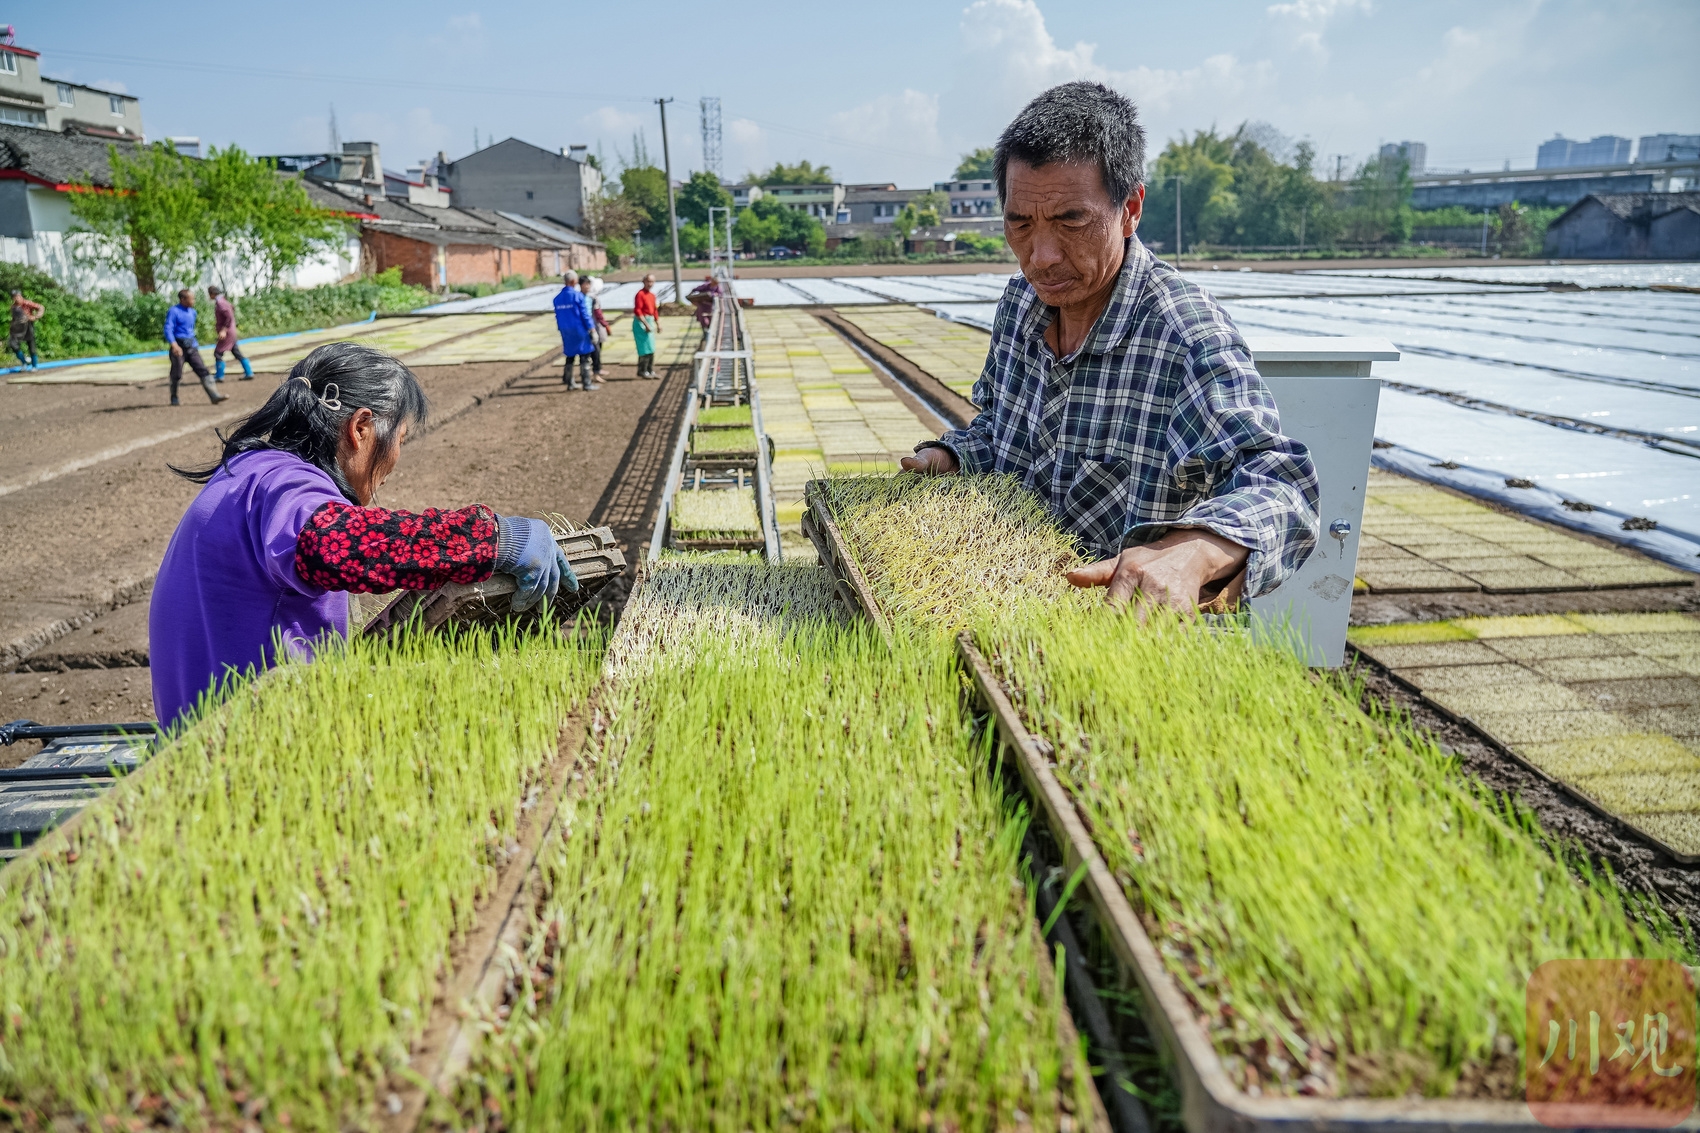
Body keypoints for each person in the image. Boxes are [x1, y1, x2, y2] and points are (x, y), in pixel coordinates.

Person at [899, 82, 1318, 613]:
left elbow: (1283, 488)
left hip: (1127, 636)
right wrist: (952, 457)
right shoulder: (1021, 305)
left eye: (1072, 220)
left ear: (1130, 209)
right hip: (1009, 611)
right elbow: (1005, 435)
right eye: (1019, 223)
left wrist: (1193, 553)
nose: (1042, 256)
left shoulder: (1183, 335)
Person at [149, 341, 578, 730]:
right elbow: (334, 545)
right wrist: (496, 538)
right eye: (400, 441)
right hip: (248, 748)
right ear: (361, 427)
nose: (394, 462)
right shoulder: (285, 484)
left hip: (206, 737)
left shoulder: (249, 471)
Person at [164, 289, 228, 406]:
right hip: (179, 347)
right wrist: (174, 345)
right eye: (191, 298)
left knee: (203, 370)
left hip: (192, 348)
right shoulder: (174, 311)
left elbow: (190, 330)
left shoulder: (193, 312)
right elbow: (168, 329)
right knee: (176, 374)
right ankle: (174, 397)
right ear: (183, 299)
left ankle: (214, 395)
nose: (194, 300)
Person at [553, 270, 598, 390]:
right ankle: (587, 383)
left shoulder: (557, 298)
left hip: (565, 331)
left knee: (570, 355)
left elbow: (557, 316)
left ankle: (569, 382)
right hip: (579, 330)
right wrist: (592, 329)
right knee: (584, 355)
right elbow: (584, 315)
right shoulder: (577, 296)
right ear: (573, 281)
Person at [208, 285, 253, 381]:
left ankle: (219, 376)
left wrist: (223, 330)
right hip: (231, 330)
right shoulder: (224, 301)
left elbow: (228, 316)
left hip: (227, 332)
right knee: (236, 352)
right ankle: (249, 372)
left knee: (218, 353)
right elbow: (232, 309)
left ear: (212, 294)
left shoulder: (220, 303)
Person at [579, 274, 610, 380]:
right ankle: (586, 374)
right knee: (585, 352)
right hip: (583, 328)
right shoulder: (578, 298)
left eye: (588, 284)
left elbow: (596, 313)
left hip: (592, 327)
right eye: (585, 284)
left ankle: (596, 371)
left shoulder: (591, 298)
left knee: (596, 350)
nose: (587, 286)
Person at [632, 273, 661, 379]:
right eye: (648, 281)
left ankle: (650, 369)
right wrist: (646, 324)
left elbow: (654, 310)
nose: (650, 284)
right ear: (644, 282)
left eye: (652, 281)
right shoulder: (640, 295)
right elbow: (638, 310)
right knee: (644, 348)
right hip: (641, 322)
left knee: (651, 347)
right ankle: (642, 370)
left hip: (649, 320)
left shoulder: (652, 295)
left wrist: (658, 323)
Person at [8, 290, 42, 371]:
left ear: (20, 296)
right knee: (13, 344)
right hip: (17, 329)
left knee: (31, 346)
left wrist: (36, 316)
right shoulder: (13, 307)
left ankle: (34, 366)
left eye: (17, 296)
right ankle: (24, 362)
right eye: (14, 297)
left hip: (28, 326)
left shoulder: (27, 303)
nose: (16, 298)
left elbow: (41, 307)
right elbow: (14, 319)